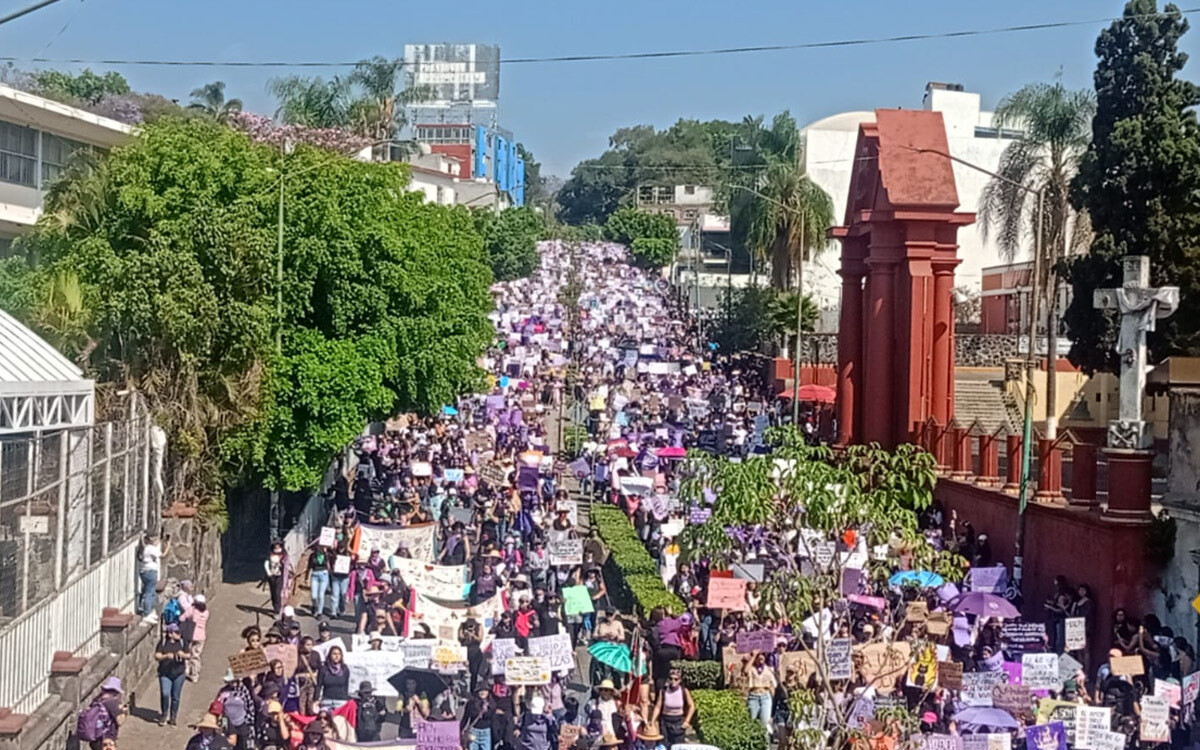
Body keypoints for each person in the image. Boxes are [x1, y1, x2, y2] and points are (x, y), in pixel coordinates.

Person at [78, 676, 125, 750]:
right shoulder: (112, 702)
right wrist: (123, 711)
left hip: (96, 737)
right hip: (106, 738)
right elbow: (120, 721)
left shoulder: (98, 699)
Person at [155, 623, 188, 725]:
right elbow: (157, 655)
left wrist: (183, 655)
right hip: (165, 673)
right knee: (165, 694)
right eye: (176, 632)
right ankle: (164, 714)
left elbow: (189, 654)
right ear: (170, 634)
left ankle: (173, 716)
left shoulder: (182, 643)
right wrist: (165, 656)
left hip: (179, 673)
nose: (179, 634)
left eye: (179, 632)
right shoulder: (163, 642)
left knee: (176, 696)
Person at [649, 668, 693, 747]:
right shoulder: (663, 691)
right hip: (665, 721)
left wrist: (687, 721)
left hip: (678, 721)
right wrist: (652, 721)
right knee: (665, 745)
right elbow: (657, 707)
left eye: (676, 679)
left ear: (680, 680)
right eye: (671, 679)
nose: (673, 681)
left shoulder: (684, 691)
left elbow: (691, 706)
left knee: (678, 746)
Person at [742, 650, 776, 735]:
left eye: (762, 656)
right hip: (754, 696)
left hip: (765, 696)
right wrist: (754, 655)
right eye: (759, 656)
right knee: (752, 721)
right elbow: (745, 671)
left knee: (765, 723)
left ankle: (765, 746)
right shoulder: (751, 668)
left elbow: (773, 685)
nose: (761, 657)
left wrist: (772, 696)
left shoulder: (769, 668)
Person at [136, 532, 168, 617]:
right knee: (150, 592)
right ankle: (147, 612)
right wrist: (168, 545)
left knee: (146, 590)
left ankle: (141, 607)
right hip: (151, 572)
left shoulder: (143, 548)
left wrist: (162, 541)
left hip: (144, 571)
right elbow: (163, 555)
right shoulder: (151, 549)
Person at [181, 593, 210, 681]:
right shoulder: (206, 612)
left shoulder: (192, 610)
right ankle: (195, 674)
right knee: (196, 655)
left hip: (191, 634)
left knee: (187, 652)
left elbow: (182, 618)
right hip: (201, 636)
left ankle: (186, 670)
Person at [316, 646, 351, 710]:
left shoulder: (344, 669)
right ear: (330, 655)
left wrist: (346, 699)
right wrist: (316, 700)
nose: (337, 656)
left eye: (339, 654)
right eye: (334, 654)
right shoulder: (324, 669)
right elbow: (319, 685)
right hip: (327, 701)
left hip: (341, 701)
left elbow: (346, 685)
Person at [264, 541, 291, 615]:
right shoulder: (270, 554)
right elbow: (266, 563)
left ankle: (277, 610)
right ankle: (275, 606)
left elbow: (287, 564)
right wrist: (268, 572)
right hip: (271, 576)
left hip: (279, 576)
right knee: (273, 593)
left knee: (277, 592)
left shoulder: (284, 555)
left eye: (278, 546)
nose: (277, 548)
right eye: (276, 546)